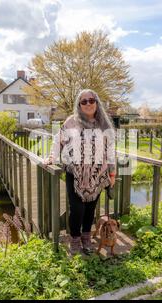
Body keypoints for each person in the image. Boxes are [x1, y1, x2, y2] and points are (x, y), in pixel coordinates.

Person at [47, 89, 116, 255]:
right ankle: (75, 240)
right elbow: (58, 140)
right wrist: (52, 157)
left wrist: (112, 173)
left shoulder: (104, 124)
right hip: (75, 172)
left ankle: (86, 239)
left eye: (91, 100)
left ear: (96, 102)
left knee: (90, 209)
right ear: (79, 105)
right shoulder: (71, 122)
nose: (88, 104)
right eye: (83, 101)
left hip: (97, 175)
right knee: (77, 209)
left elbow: (111, 149)